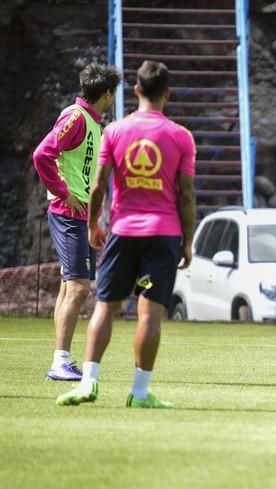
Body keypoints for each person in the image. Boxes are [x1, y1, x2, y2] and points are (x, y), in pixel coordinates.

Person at [56, 60, 196, 408]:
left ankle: (88, 384)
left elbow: (99, 186)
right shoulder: (181, 136)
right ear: (167, 94)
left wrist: (92, 224)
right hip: (162, 236)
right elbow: (187, 194)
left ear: (136, 91)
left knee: (105, 307)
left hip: (122, 233)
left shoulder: (115, 131)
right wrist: (188, 241)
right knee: (149, 314)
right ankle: (139, 393)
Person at [33, 63, 121, 381]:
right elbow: (42, 154)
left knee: (69, 287)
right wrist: (62, 191)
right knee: (80, 289)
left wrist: (93, 221)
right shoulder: (76, 117)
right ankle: (60, 362)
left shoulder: (94, 124)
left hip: (80, 217)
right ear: (107, 93)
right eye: (114, 93)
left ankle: (60, 358)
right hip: (67, 213)